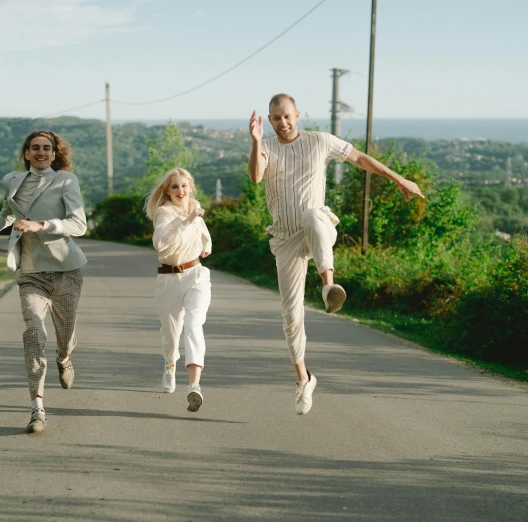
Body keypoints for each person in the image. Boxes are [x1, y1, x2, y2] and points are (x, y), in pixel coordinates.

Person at [248, 93, 425, 416]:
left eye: (286, 116)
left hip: (317, 227)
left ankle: (329, 285)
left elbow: (359, 159)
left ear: (297, 115)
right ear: (269, 121)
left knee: (312, 215)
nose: (282, 123)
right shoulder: (267, 146)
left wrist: (399, 179)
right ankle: (304, 379)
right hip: (286, 239)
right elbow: (257, 176)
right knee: (290, 314)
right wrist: (256, 141)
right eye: (275, 118)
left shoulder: (319, 141)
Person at [0, 130, 87, 434]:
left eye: (47, 148)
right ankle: (37, 408)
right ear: (26, 153)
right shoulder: (12, 180)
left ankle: (64, 357)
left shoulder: (67, 181)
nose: (41, 152)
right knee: (34, 332)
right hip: (30, 273)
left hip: (65, 270)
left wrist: (41, 224)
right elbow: (5, 214)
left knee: (64, 336)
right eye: (35, 148)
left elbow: (79, 224)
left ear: (54, 154)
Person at [144, 168, 212, 412]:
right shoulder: (164, 213)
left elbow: (205, 236)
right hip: (170, 279)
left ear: (191, 188)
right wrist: (188, 221)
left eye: (184, 186)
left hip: (197, 276)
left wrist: (206, 245)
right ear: (168, 191)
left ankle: (194, 386)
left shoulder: (196, 211)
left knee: (194, 325)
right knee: (171, 335)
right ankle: (170, 364)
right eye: (175, 187)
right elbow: (160, 243)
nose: (180, 191)